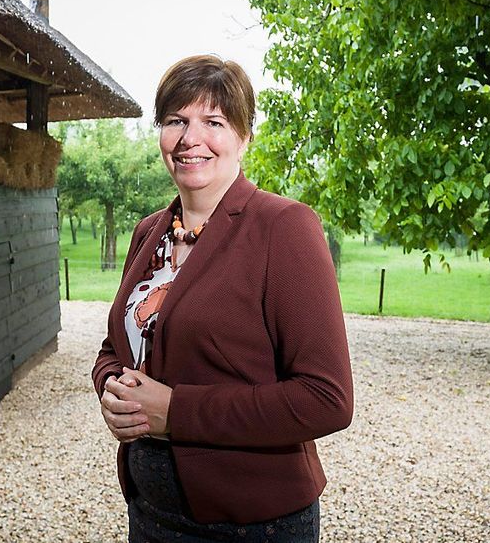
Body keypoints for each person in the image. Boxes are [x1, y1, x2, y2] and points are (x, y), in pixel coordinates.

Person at [92, 55, 354, 542]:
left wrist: (176, 412)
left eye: (213, 122)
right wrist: (112, 388)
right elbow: (117, 346)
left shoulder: (285, 228)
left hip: (253, 524)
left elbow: (327, 400)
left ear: (243, 135)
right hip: (150, 514)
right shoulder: (150, 232)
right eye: (176, 121)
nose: (191, 139)